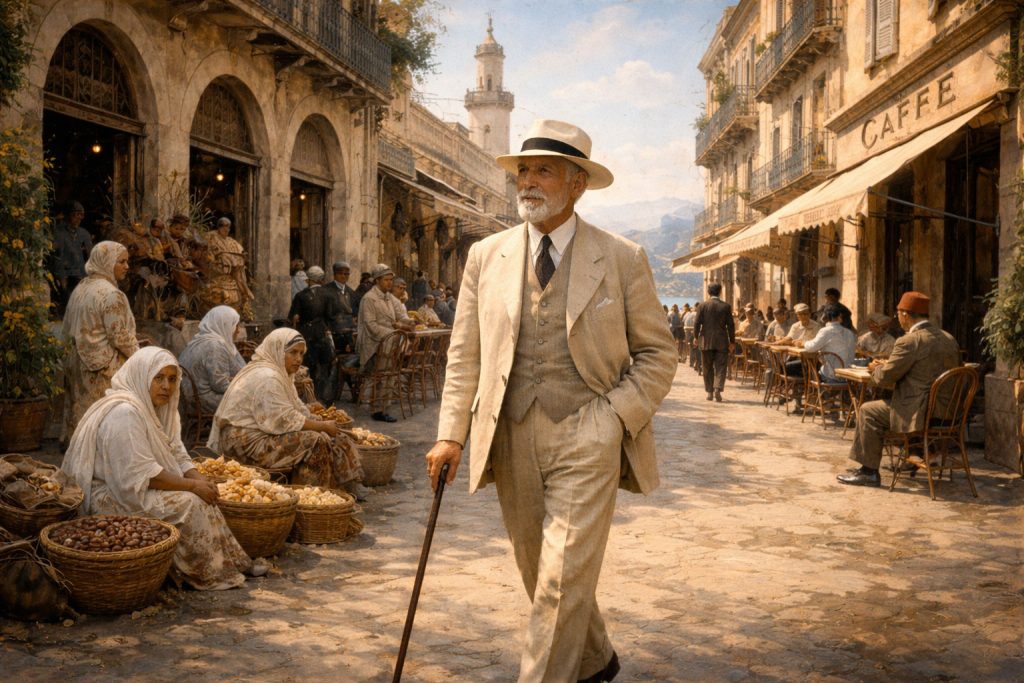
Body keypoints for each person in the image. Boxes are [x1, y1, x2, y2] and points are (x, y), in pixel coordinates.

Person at [425, 119, 676, 682]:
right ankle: (594, 660)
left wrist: (614, 417)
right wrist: (450, 434)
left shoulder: (621, 257)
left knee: (561, 577)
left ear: (577, 183)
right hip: (511, 431)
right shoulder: (485, 256)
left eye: (543, 171)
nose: (528, 182)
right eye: (523, 171)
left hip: (589, 431)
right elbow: (465, 354)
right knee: (540, 569)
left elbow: (659, 355)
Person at [61, 347, 260, 589]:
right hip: (112, 493)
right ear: (142, 376)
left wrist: (199, 480)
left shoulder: (161, 410)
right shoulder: (124, 414)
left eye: (172, 379)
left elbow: (177, 452)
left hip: (137, 485)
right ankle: (207, 573)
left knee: (206, 496)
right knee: (191, 503)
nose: (166, 386)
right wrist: (192, 486)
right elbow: (141, 475)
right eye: (159, 378)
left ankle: (232, 562)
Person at [209, 329, 367, 498]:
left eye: (301, 353)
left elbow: (294, 406)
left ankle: (347, 485)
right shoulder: (267, 377)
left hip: (262, 431)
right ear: (278, 350)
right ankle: (308, 498)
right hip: (244, 441)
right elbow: (282, 419)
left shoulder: (280, 372)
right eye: (293, 352)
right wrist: (321, 426)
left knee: (331, 435)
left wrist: (316, 419)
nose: (298, 359)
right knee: (315, 441)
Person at [838, 292, 960, 487]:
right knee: (899, 400)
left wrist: (876, 368)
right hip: (947, 412)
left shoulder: (909, 341)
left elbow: (884, 378)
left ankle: (869, 472)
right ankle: (914, 453)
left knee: (868, 410)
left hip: (921, 413)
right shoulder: (949, 338)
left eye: (898, 315)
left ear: (905, 314)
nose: (899, 319)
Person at [60, 241, 140, 445]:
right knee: (103, 414)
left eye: (127, 261)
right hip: (101, 367)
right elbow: (119, 337)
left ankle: (78, 450)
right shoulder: (111, 294)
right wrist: (140, 357)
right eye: (121, 261)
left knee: (82, 413)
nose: (127, 266)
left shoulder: (82, 287)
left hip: (78, 361)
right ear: (107, 262)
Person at [356, 263, 415, 422]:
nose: (390, 283)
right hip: (373, 344)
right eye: (386, 280)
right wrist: (394, 333)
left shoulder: (388, 297)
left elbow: (399, 315)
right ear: (377, 281)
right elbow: (371, 326)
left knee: (390, 375)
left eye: (391, 280)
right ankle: (377, 410)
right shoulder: (369, 299)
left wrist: (410, 321)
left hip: (389, 342)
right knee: (381, 376)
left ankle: (383, 408)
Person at [179, 305, 246, 418]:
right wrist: (246, 387)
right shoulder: (215, 346)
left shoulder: (200, 340)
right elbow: (219, 385)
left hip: (193, 400)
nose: (238, 331)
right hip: (204, 401)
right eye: (235, 325)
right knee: (251, 402)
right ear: (224, 325)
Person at [287, 266, 337, 404]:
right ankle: (324, 397)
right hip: (322, 333)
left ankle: (310, 396)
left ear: (308, 280)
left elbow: (293, 317)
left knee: (309, 365)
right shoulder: (328, 295)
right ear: (321, 279)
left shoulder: (300, 296)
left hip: (306, 334)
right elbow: (330, 317)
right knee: (325, 366)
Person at [203, 217, 253, 320]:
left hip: (232, 273)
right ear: (219, 227)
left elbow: (241, 252)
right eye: (223, 226)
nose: (226, 229)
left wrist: (241, 256)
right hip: (217, 273)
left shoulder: (232, 242)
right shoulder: (211, 237)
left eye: (228, 226)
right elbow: (207, 254)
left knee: (239, 270)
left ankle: (245, 292)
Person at [694, 282, 735, 402]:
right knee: (721, 366)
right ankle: (717, 388)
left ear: (708, 292)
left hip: (706, 341)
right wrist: (732, 341)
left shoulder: (702, 306)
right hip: (722, 341)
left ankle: (709, 392)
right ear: (720, 292)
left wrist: (696, 337)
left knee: (707, 367)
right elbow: (731, 325)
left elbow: (697, 323)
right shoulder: (726, 306)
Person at [50, 200, 93, 314]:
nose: (79, 218)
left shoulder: (84, 233)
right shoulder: (58, 233)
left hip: (81, 272)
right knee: (67, 299)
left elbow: (91, 256)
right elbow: (55, 256)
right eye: (76, 214)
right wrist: (61, 277)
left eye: (81, 215)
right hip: (64, 273)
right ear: (68, 215)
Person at [796, 304, 857, 382]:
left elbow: (812, 347)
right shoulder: (849, 333)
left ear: (825, 316)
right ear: (840, 316)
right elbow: (851, 355)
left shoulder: (826, 331)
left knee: (811, 369)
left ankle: (814, 388)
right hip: (848, 375)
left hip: (831, 374)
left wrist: (803, 343)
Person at [682, 303, 699, 369]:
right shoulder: (698, 314)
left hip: (687, 331)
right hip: (695, 331)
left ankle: (691, 362)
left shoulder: (688, 314)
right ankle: (696, 362)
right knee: (697, 347)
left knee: (691, 347)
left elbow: (683, 321)